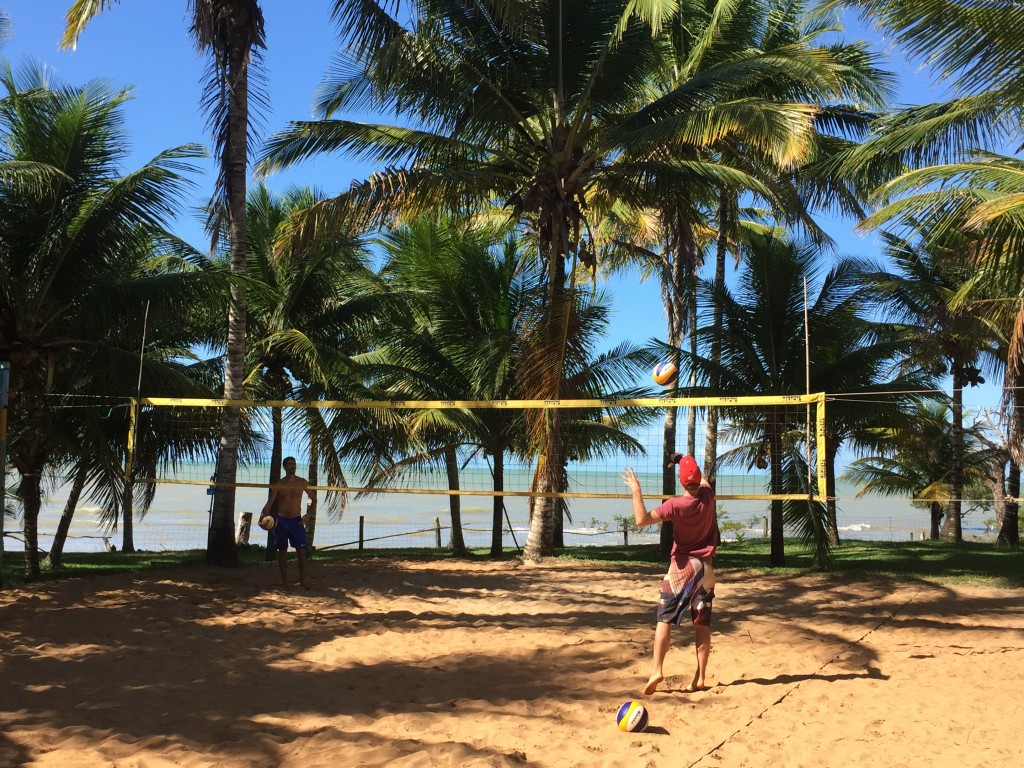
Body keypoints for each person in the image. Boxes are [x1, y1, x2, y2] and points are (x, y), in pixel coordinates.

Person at [622, 454, 717, 695]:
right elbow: (702, 479)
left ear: (681, 482)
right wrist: (683, 458)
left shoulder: (675, 505)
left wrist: (636, 489)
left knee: (664, 619)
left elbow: (641, 520)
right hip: (707, 569)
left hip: (684, 567)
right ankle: (701, 677)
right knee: (702, 624)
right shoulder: (708, 494)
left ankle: (657, 669)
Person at [261, 456, 317, 589]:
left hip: (296, 521)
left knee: (301, 552)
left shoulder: (302, 482)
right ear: (285, 467)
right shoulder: (279, 484)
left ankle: (303, 581)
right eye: (290, 464)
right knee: (282, 551)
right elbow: (269, 503)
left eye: (294, 464)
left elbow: (314, 500)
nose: (293, 466)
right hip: (281, 521)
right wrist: (262, 515)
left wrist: (309, 515)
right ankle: (285, 581)